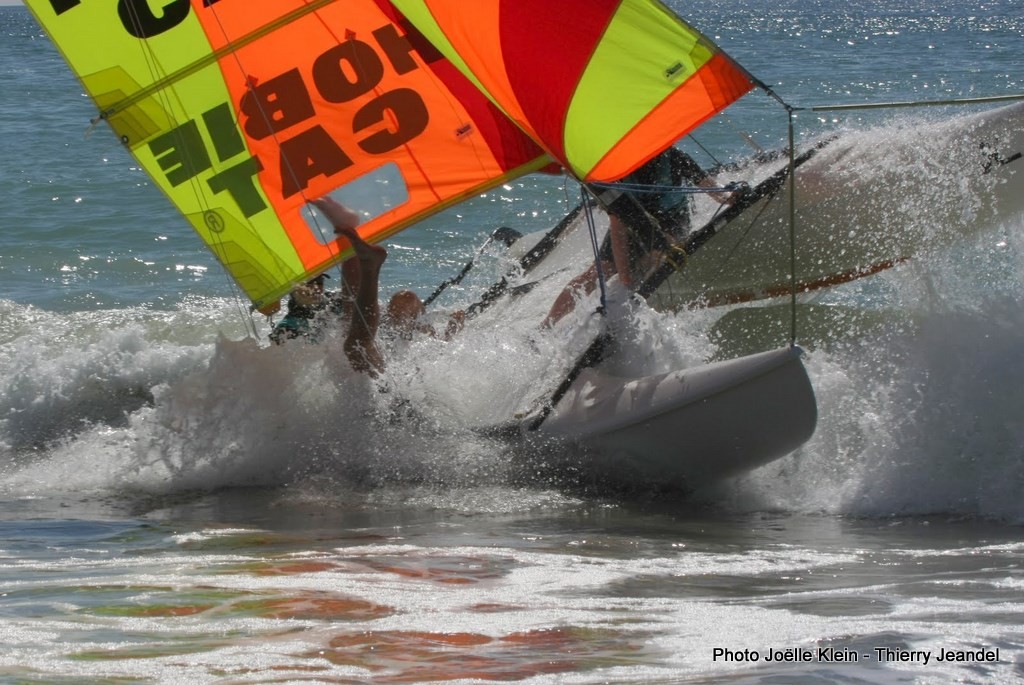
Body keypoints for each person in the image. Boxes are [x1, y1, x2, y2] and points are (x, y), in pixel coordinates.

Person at [542, 146, 740, 327]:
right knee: (599, 271)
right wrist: (625, 277)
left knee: (653, 259)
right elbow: (618, 230)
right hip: (630, 225)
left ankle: (637, 317)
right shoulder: (614, 173)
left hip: (671, 222)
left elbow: (713, 190)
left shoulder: (675, 157)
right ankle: (546, 326)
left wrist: (730, 199)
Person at [302, 197, 466, 376]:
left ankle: (348, 237)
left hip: (395, 357)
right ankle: (356, 248)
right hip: (397, 369)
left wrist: (447, 333)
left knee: (353, 333)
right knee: (360, 340)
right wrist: (448, 333)